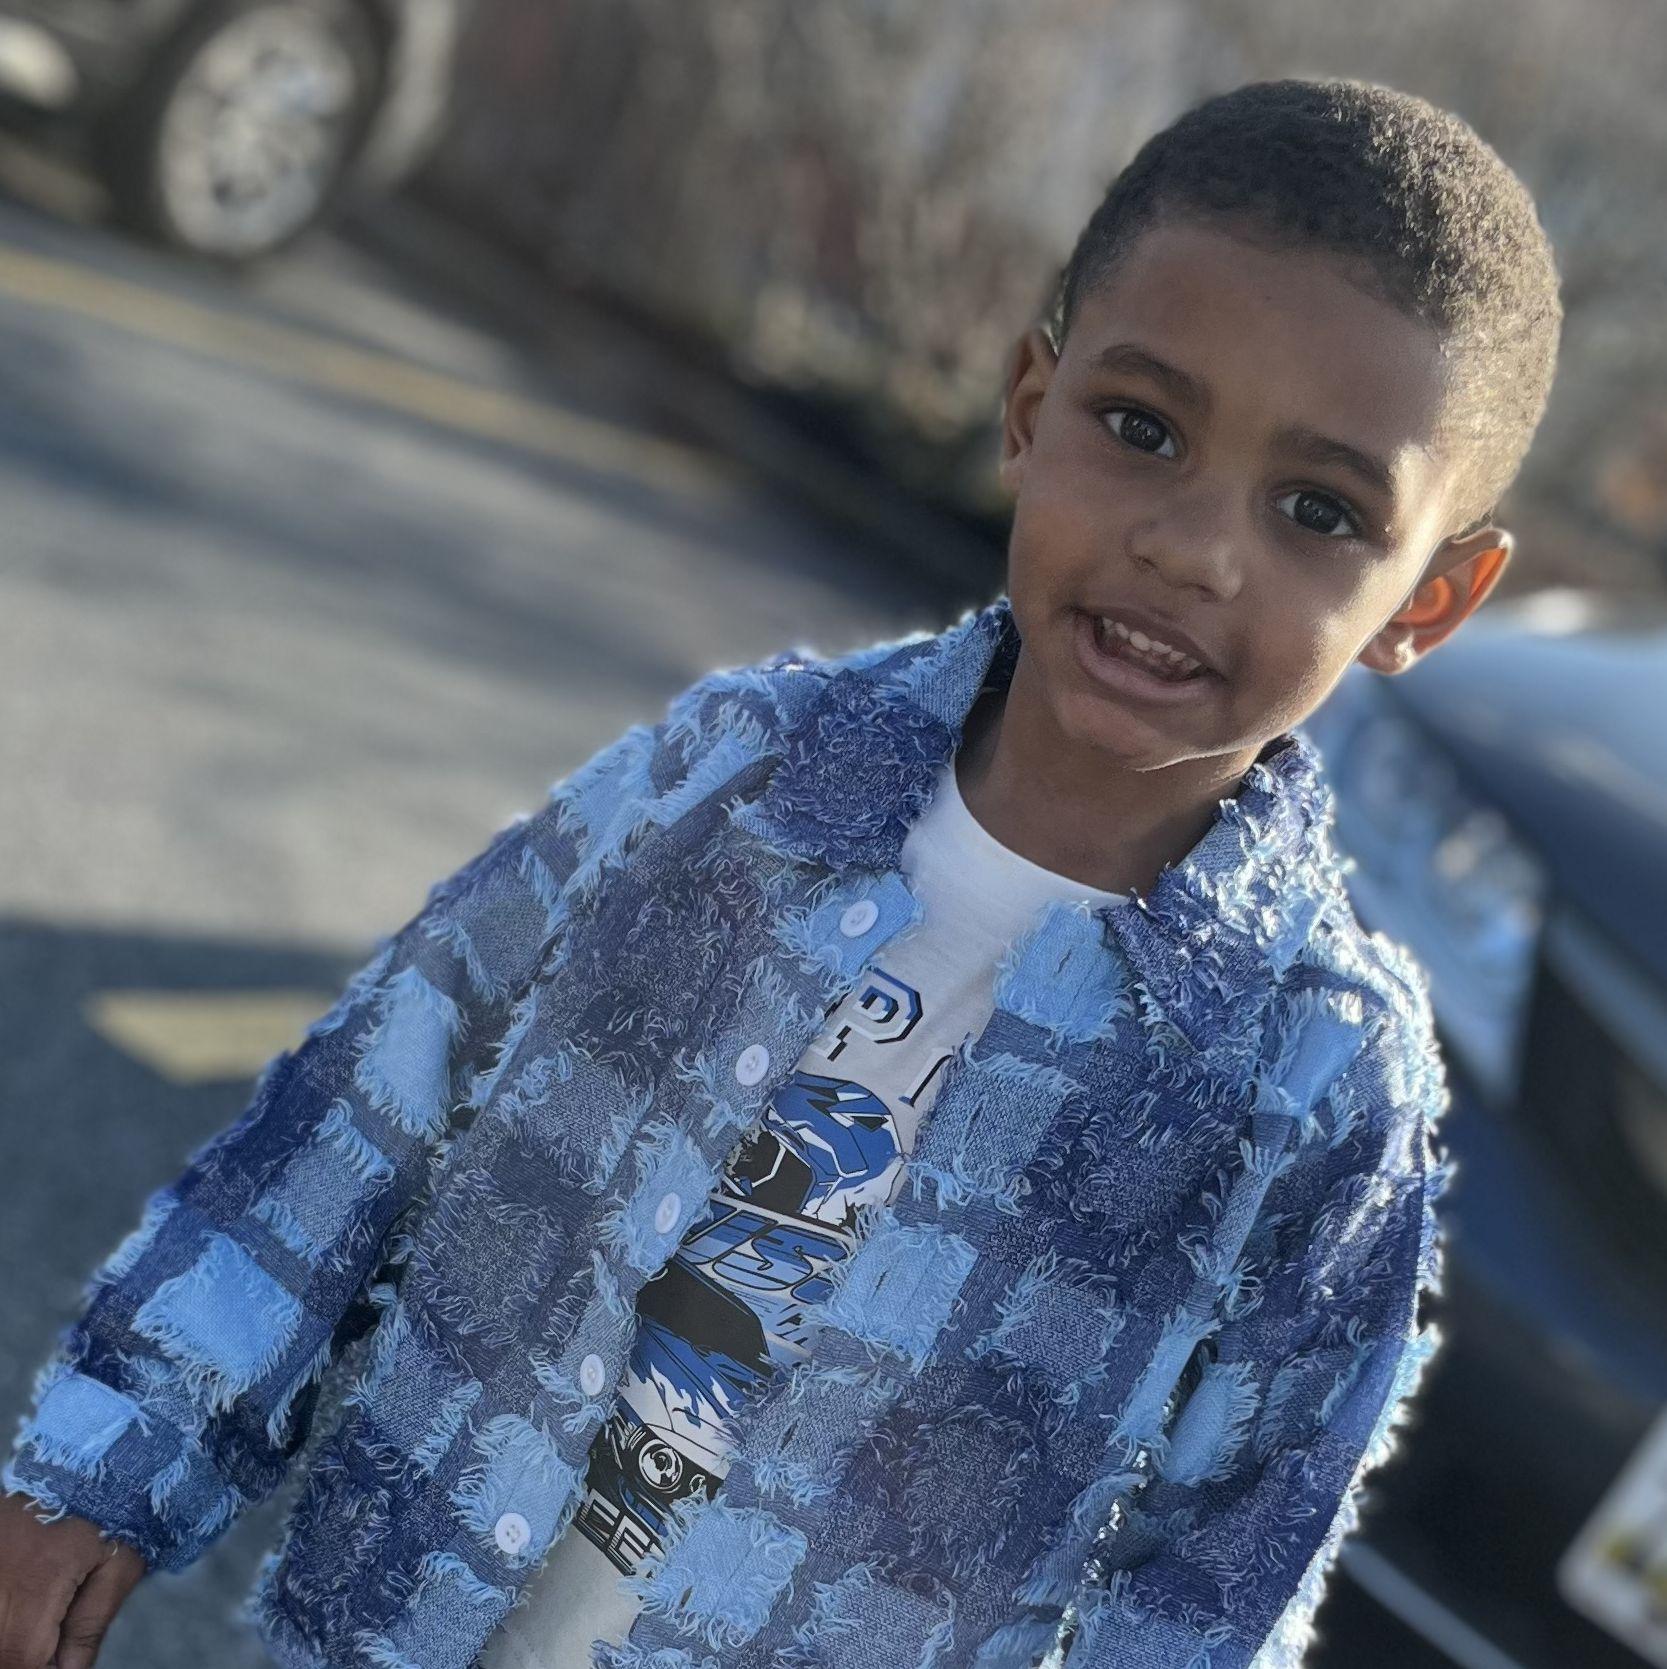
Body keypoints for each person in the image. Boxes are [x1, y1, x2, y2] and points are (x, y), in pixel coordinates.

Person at [0, 75, 1560, 1669]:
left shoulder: (1316, 1086)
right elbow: (378, 1087)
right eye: (1143, 428)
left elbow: (1215, 1591)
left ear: (1431, 598)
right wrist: (115, 1447)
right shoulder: (739, 772)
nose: (1195, 548)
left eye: (1319, 511)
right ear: (1031, 406)